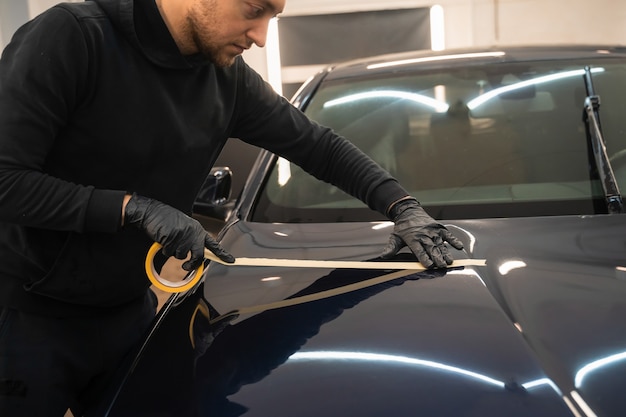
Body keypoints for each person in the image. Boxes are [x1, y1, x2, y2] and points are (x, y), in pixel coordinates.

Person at [0, 0, 464, 415]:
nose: (261, 37)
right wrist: (130, 208)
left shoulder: (224, 78)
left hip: (128, 312)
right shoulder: (73, 38)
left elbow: (316, 146)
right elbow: (6, 179)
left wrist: (400, 204)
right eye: (254, 9)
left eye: (272, 17)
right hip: (28, 318)